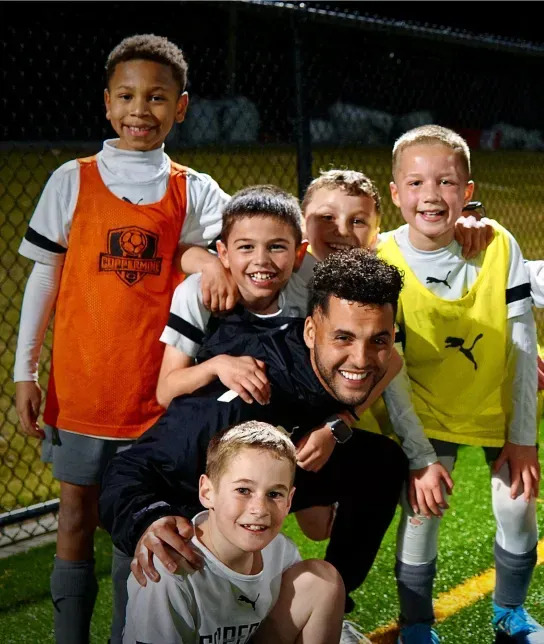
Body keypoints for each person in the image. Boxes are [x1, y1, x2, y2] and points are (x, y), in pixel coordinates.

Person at [13, 34, 236, 644]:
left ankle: (126, 636)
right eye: (129, 96)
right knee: (76, 519)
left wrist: (205, 261)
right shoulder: (72, 179)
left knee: (141, 525)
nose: (143, 109)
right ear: (107, 104)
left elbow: (214, 254)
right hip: (84, 388)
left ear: (181, 107)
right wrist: (23, 372)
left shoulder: (195, 189)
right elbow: (44, 277)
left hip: (156, 395)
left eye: (158, 97)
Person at [98, 249, 409, 641]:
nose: (362, 359)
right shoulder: (245, 392)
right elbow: (129, 468)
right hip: (186, 504)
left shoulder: (347, 366)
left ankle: (330, 607)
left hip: (277, 472)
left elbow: (391, 362)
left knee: (382, 462)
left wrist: (339, 423)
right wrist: (147, 521)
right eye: (344, 337)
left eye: (378, 339)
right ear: (311, 332)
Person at [377, 124, 541, 644]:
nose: (431, 196)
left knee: (518, 505)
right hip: (427, 411)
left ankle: (510, 614)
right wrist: (421, 456)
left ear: (467, 193)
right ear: (396, 193)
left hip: (495, 405)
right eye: (417, 183)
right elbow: (393, 371)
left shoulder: (498, 245)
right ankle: (417, 624)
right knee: (421, 515)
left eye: (446, 183)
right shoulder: (383, 262)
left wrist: (523, 438)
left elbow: (520, 343)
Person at [122, 420, 345, 644]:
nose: (259, 509)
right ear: (207, 492)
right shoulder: (170, 571)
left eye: (274, 494)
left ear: (289, 501)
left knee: (322, 579)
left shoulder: (280, 551)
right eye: (243, 490)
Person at [156, 184, 309, 409]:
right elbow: (166, 392)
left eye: (276, 247)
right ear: (224, 254)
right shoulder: (198, 293)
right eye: (246, 247)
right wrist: (216, 366)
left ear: (299, 254)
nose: (261, 260)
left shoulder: (310, 296)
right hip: (212, 424)